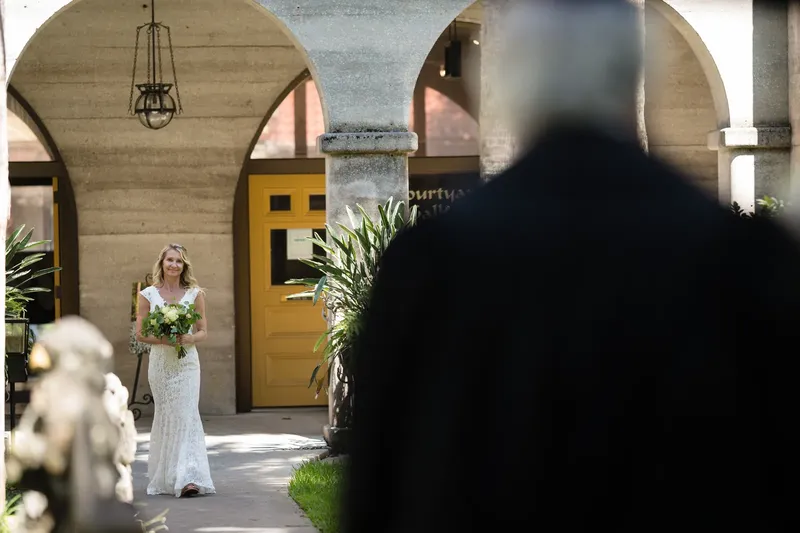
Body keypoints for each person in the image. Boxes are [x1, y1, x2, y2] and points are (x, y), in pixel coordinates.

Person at [343, 1, 800, 532]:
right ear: (635, 70)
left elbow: (380, 487)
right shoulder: (741, 255)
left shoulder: (431, 262)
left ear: (512, 80)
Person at [136, 243, 216, 498]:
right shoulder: (147, 295)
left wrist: (190, 338)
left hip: (187, 364)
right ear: (162, 264)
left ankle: (189, 477)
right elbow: (140, 334)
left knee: (187, 414)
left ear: (184, 266)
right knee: (168, 416)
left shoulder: (195, 293)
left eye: (178, 261)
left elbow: (203, 330)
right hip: (161, 364)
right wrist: (164, 340)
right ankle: (170, 475)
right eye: (169, 260)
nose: (173, 265)